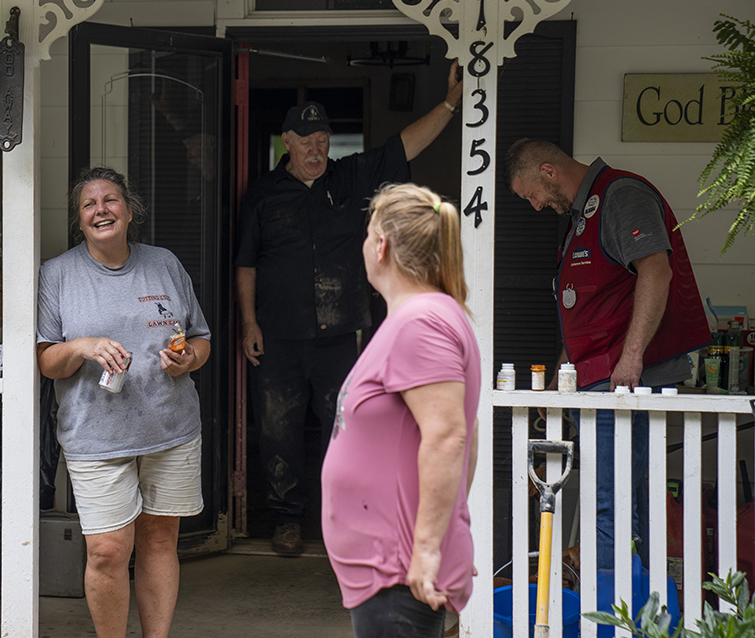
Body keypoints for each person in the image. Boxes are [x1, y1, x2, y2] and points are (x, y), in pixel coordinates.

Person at [236, 61, 464, 555]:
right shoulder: (262, 194)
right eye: (305, 140)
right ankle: (287, 520)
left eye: (322, 139)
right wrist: (249, 321)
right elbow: (246, 263)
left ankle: (346, 518)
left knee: (351, 428)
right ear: (287, 143)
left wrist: (449, 103)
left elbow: (405, 145)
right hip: (278, 336)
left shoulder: (354, 174)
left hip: (343, 335)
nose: (316, 149)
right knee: (279, 432)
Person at [504, 138, 711, 570]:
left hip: (624, 382)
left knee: (610, 505)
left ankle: (610, 620)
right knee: (625, 499)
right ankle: (640, 612)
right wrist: (562, 373)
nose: (536, 206)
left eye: (532, 195)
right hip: (594, 380)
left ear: (548, 171)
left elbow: (656, 269)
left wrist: (632, 357)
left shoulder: (621, 195)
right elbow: (590, 311)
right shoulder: (583, 215)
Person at [37, 166, 211, 638]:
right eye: (89, 205)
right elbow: (47, 361)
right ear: (78, 220)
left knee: (159, 541)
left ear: (130, 211)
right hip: (96, 436)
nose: (101, 210)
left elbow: (199, 338)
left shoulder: (164, 263)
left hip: (170, 429)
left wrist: (187, 358)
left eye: (110, 200)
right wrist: (82, 347)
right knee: (108, 551)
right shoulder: (57, 274)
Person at [322, 183, 479, 638]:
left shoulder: (422, 322)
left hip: (396, 567)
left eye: (368, 233)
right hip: (388, 565)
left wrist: (428, 548)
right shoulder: (422, 316)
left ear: (382, 245)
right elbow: (465, 436)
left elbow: (451, 436)